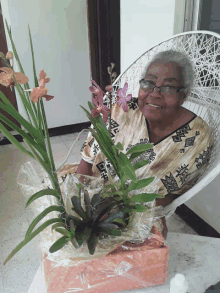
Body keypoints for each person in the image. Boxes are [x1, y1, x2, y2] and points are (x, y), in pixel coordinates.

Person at [61, 50, 213, 240]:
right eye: (148, 83)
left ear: (183, 95)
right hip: (92, 195)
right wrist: (78, 203)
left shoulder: (197, 136)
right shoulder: (119, 110)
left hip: (139, 209)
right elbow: (86, 161)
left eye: (168, 88)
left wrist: (126, 213)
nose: (155, 94)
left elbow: (171, 194)